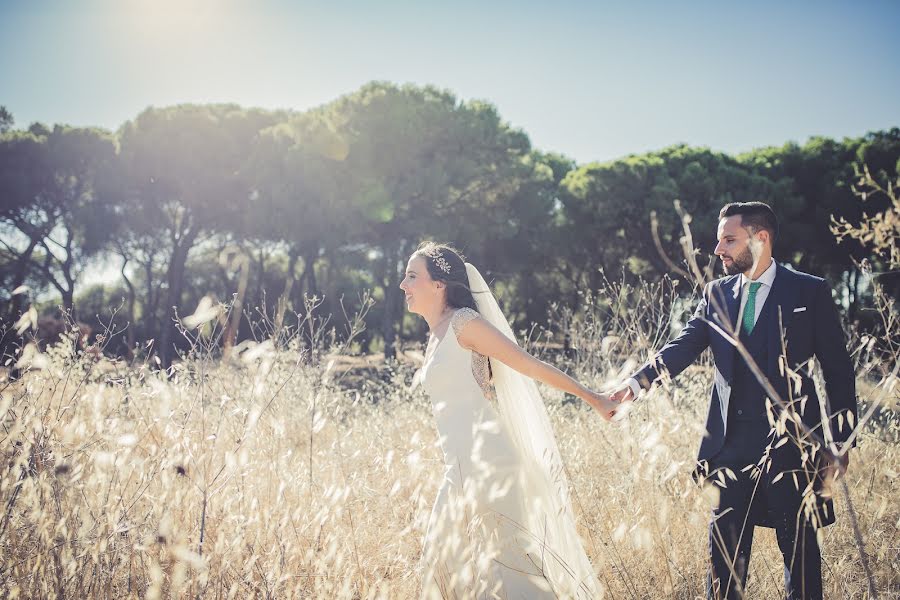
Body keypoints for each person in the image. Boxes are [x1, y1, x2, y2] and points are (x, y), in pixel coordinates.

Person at [610, 202, 857, 600]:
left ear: (761, 239)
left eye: (729, 239)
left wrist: (841, 442)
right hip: (728, 451)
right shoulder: (716, 293)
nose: (718, 249)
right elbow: (683, 346)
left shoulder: (809, 291)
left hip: (794, 451)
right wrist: (635, 385)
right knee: (723, 575)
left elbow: (838, 370)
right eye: (718, 239)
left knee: (803, 571)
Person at [400, 241, 613, 599]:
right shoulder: (435, 335)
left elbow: (527, 365)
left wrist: (593, 398)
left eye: (411, 276)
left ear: (439, 284)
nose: (403, 285)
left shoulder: (464, 324)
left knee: (507, 574)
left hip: (490, 465)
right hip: (460, 466)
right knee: (449, 569)